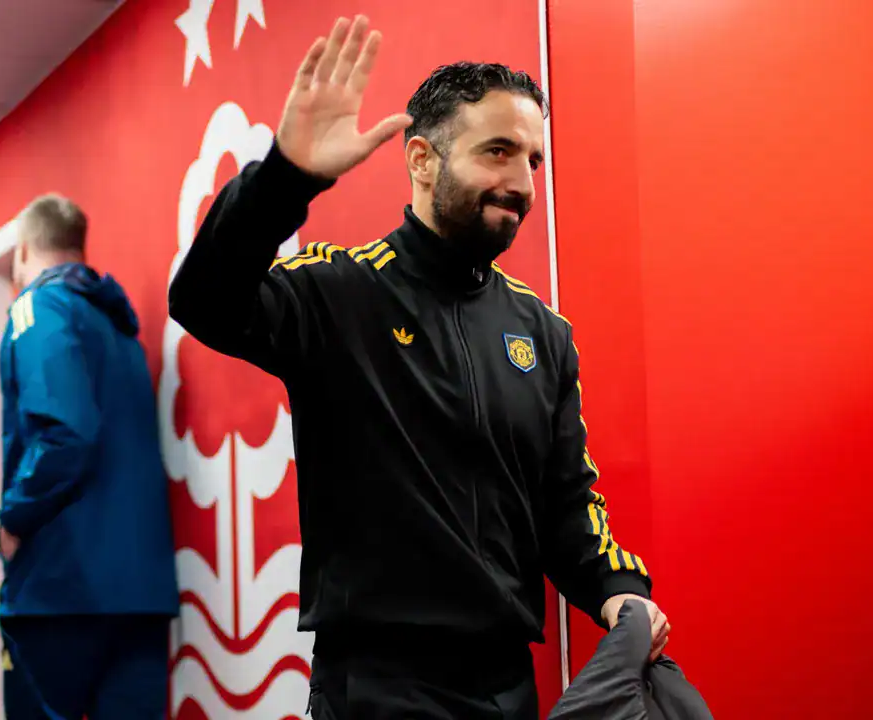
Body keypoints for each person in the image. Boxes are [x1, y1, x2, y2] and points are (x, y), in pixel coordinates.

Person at [169, 14, 668, 720]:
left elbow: (566, 502)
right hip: (378, 687)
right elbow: (203, 301)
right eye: (498, 152)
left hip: (506, 686)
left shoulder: (544, 333)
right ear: (423, 160)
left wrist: (619, 589)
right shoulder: (340, 292)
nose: (521, 183)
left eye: (532, 160)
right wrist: (285, 179)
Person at [0, 194, 181, 720]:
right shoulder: (118, 329)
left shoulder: (38, 307)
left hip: (61, 590)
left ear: (24, 249)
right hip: (140, 595)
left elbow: (66, 433)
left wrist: (13, 520)